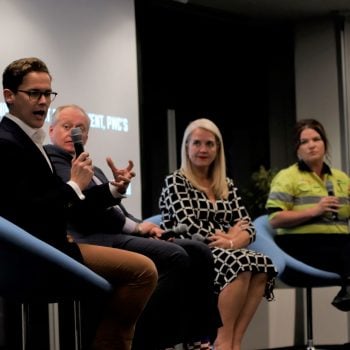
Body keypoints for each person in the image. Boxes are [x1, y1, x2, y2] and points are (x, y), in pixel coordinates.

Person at [0, 57, 158, 350]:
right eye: (34, 93)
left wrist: (112, 188)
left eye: (48, 94)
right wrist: (74, 185)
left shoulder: (29, 139)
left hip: (53, 245)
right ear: (9, 95)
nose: (43, 101)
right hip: (39, 252)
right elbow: (29, 210)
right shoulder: (6, 142)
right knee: (143, 271)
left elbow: (65, 200)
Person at [44, 104, 222, 350]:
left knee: (199, 251)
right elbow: (87, 212)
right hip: (94, 238)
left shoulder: (92, 168)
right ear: (51, 129)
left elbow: (117, 212)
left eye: (80, 128)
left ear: (87, 136)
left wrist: (142, 226)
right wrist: (133, 224)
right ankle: (148, 338)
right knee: (175, 256)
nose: (74, 133)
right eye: (67, 127)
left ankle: (199, 337)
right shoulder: (53, 162)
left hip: (116, 232)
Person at [159, 118, 278, 350]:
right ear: (186, 147)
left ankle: (234, 341)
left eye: (210, 144)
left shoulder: (226, 184)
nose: (203, 149)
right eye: (197, 143)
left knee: (262, 263)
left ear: (218, 149)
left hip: (226, 252)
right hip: (190, 254)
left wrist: (233, 240)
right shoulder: (175, 181)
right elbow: (190, 228)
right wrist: (231, 237)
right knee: (243, 261)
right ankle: (221, 342)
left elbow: (248, 226)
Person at [266, 118, 350, 312]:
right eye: (304, 142)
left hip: (338, 244)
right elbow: (275, 219)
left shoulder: (341, 178)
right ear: (298, 149)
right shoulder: (287, 177)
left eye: (316, 139)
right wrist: (315, 210)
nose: (311, 145)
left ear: (324, 144)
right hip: (301, 246)